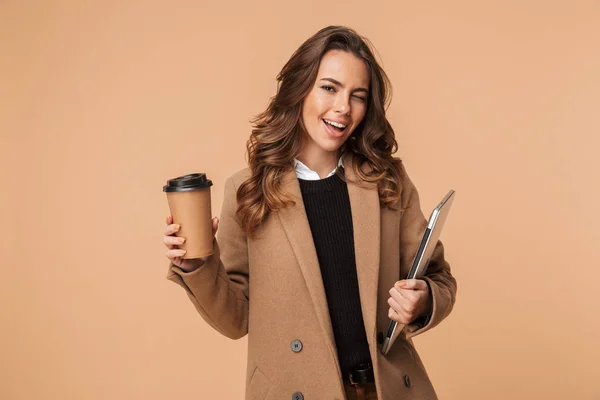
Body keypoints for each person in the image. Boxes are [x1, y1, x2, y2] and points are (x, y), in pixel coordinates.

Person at [163, 25, 457, 400]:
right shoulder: (249, 190)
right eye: (329, 88)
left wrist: (424, 299)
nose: (343, 108)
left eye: (358, 96)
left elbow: (439, 278)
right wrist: (196, 265)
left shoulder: (386, 181)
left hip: (383, 389)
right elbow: (235, 320)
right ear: (301, 88)